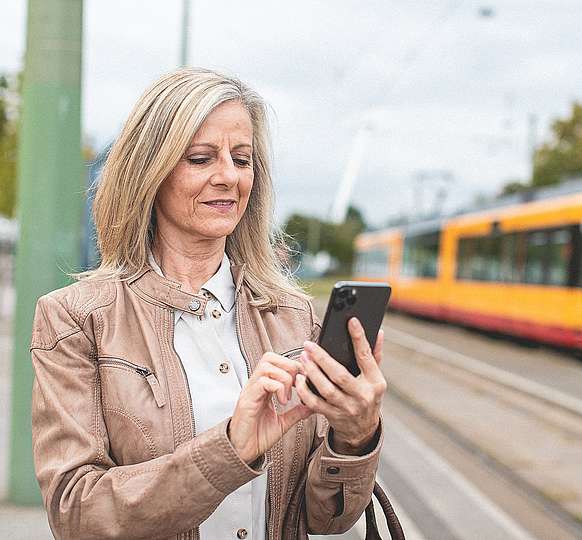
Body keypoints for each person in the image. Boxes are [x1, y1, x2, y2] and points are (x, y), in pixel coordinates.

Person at [30, 67, 387, 540]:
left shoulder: (294, 316)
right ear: (150, 171)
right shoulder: (75, 319)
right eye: (201, 158)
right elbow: (77, 515)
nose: (228, 177)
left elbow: (324, 520)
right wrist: (229, 449)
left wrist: (355, 435)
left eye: (242, 159)